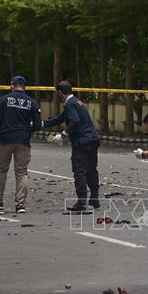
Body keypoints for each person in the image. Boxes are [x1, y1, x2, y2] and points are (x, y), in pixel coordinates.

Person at [45, 80, 100, 213]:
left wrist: (64, 135)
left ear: (60, 93)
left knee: (79, 171)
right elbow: (60, 119)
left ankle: (81, 203)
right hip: (93, 139)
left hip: (82, 142)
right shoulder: (76, 102)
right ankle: (94, 199)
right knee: (91, 170)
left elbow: (75, 121)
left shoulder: (69, 104)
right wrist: (41, 123)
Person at [0, 75, 42, 215]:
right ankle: (20, 205)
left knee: (1, 170)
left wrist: (4, 129)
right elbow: (38, 125)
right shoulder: (31, 102)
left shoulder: (4, 100)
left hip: (5, 139)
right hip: (23, 141)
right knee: (21, 172)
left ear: (12, 85)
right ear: (24, 86)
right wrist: (27, 131)